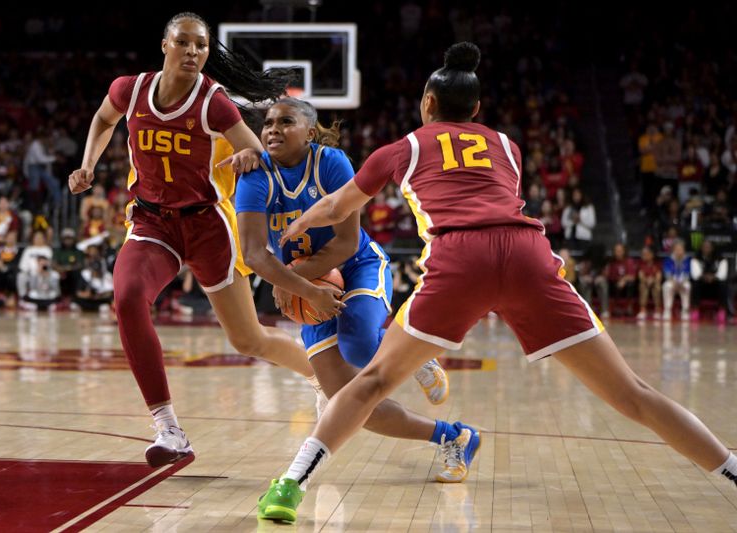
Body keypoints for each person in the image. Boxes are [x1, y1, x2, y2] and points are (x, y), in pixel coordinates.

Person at [256, 42, 737, 523]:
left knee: (374, 382)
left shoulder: (402, 147)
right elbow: (499, 201)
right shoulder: (509, 146)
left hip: (461, 257)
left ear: (427, 103)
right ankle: (733, 470)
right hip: (528, 254)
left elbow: (338, 207)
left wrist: (297, 228)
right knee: (634, 393)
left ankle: (290, 485)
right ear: (477, 109)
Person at [68, 12, 332, 468]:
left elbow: (255, 151)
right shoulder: (129, 90)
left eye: (202, 46)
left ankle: (320, 378)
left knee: (248, 340)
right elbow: (102, 118)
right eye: (184, 43)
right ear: (165, 45)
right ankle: (168, 429)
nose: (193, 52)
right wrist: (88, 164)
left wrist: (251, 157)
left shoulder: (213, 103)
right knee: (127, 297)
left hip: (207, 226)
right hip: (153, 222)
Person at [235, 99, 462, 491]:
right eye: (268, 123)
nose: (272, 129)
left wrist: (295, 283)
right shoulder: (255, 175)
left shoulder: (332, 163)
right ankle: (453, 437)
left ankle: (418, 360)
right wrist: (307, 290)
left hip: (357, 266)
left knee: (359, 349)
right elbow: (254, 254)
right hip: (307, 286)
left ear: (309, 131)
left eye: (285, 122)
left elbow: (345, 241)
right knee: (349, 403)